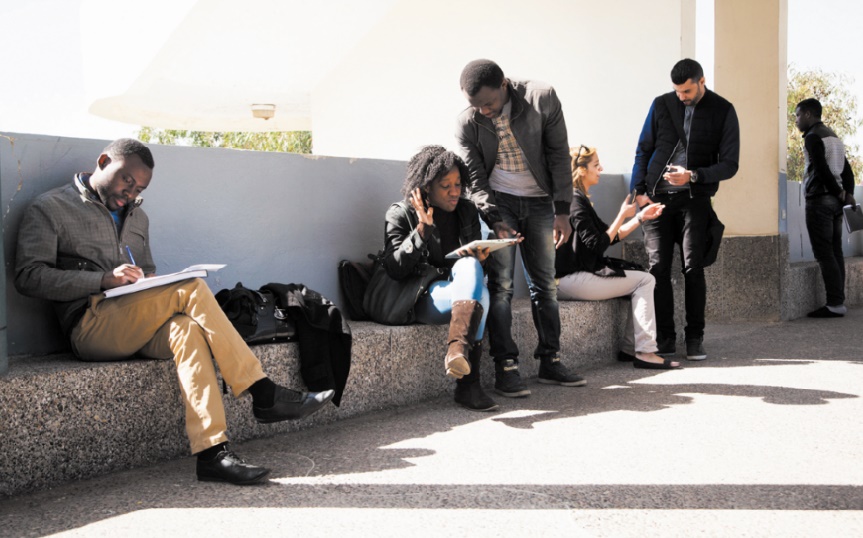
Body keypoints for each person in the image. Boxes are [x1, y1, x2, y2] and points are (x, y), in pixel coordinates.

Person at [14, 138, 334, 486]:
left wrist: (149, 282)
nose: (130, 193)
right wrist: (104, 279)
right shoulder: (51, 208)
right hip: (90, 326)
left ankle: (212, 454)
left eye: (139, 188)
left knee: (187, 329)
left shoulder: (138, 217)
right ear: (103, 162)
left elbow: (146, 271)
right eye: (126, 181)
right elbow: (28, 277)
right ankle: (262, 391)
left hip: (136, 324)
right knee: (191, 287)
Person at [456, 58, 584, 398]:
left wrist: (562, 211)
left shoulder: (541, 98)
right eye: (475, 106)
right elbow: (476, 180)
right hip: (500, 204)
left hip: (540, 202)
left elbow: (559, 154)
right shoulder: (467, 122)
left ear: (504, 85)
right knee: (501, 287)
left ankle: (551, 361)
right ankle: (506, 367)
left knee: (545, 285)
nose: (483, 111)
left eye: (488, 103)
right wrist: (494, 219)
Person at [372, 145, 499, 411]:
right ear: (427, 186)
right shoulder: (400, 213)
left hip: (456, 294)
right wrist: (422, 231)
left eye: (458, 184)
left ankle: (459, 358)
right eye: (446, 186)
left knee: (477, 281)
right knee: (481, 294)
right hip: (416, 298)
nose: (455, 191)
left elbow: (474, 272)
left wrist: (482, 261)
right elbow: (395, 269)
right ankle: (467, 382)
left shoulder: (466, 211)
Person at [631, 58, 740, 361]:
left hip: (695, 199)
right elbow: (643, 149)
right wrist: (639, 192)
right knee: (657, 269)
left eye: (687, 91)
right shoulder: (662, 104)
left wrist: (693, 176)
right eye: (677, 91)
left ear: (701, 81)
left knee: (693, 268)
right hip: (657, 200)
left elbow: (730, 164)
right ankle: (665, 338)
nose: (681, 96)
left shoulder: (723, 110)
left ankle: (695, 338)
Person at [556, 146, 679, 370]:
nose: (601, 169)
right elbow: (598, 244)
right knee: (646, 280)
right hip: (569, 280)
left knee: (642, 278)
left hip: (574, 278)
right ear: (581, 170)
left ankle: (631, 349)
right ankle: (644, 352)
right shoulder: (574, 201)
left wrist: (640, 217)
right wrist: (622, 214)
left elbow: (610, 236)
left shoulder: (577, 199)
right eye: (596, 165)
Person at [794, 98, 857, 318]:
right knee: (835, 251)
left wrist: (837, 191)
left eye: (798, 115)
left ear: (808, 114)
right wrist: (847, 193)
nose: (796, 120)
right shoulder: (833, 136)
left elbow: (820, 169)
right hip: (836, 204)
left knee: (824, 253)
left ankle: (834, 303)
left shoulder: (812, 137)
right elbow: (847, 171)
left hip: (819, 201)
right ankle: (839, 301)